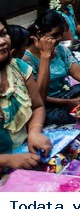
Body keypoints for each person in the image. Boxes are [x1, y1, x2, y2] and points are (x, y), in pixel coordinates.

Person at [24, 11, 80, 125]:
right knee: (66, 115)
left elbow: (79, 73)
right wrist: (66, 102)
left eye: (61, 34)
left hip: (65, 94)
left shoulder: (61, 49)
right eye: (54, 35)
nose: (58, 39)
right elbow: (38, 98)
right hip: (47, 105)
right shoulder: (27, 60)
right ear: (39, 34)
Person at [0, 17, 52, 171]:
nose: (2, 41)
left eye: (3, 33)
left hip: (27, 155)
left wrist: (34, 132)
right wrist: (8, 160)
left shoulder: (17, 67)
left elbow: (37, 106)